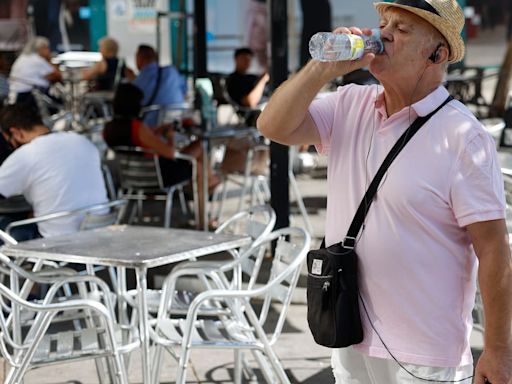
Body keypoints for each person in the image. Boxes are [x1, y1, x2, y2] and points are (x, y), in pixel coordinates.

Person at [258, 1, 512, 383]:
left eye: (403, 29)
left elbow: (493, 249)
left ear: (437, 53)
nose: (384, 33)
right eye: (383, 23)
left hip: (424, 353)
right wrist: (320, 68)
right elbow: (272, 125)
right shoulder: (350, 105)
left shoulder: (463, 136)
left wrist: (498, 351)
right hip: (350, 334)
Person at [103, 83, 219, 228]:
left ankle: (208, 182)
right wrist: (170, 136)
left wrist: (159, 130)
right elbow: (170, 153)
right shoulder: (136, 127)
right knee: (198, 164)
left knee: (198, 153)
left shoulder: (109, 129)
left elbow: (143, 138)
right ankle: (203, 219)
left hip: (130, 178)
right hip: (155, 177)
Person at [0, 104, 108, 241]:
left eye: (9, 141)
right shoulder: (82, 141)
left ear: (16, 133)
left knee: (4, 223)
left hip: (56, 243)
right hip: (99, 234)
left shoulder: (26, 155)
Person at [132, 44, 187, 127]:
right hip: (175, 124)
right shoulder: (171, 71)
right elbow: (184, 90)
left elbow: (134, 104)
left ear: (140, 59)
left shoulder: (138, 81)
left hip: (150, 128)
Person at [9, 36, 62, 108]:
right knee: (60, 104)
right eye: (47, 48)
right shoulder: (37, 59)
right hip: (30, 96)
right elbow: (57, 77)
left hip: (17, 95)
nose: (49, 51)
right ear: (41, 48)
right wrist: (50, 59)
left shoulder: (23, 57)